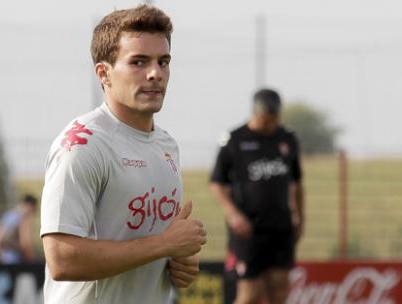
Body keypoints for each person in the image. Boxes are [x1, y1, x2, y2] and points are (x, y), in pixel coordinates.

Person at [40, 5, 207, 303]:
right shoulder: (82, 145)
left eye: (163, 61)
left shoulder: (166, 145)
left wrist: (177, 262)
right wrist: (163, 245)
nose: (155, 73)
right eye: (139, 62)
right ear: (104, 73)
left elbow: (147, 248)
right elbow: (62, 259)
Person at [209, 88, 304, 304]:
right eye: (266, 119)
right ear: (256, 113)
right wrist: (233, 214)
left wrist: (299, 218)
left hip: (280, 227)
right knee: (249, 294)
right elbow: (216, 183)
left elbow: (297, 184)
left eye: (274, 119)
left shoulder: (287, 139)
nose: (270, 124)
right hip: (247, 230)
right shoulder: (235, 140)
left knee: (279, 292)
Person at [0, 194, 38, 264]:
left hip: (6, 261)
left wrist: (5, 257)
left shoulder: (7, 216)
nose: (33, 214)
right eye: (34, 210)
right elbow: (26, 244)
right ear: (29, 206)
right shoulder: (24, 218)